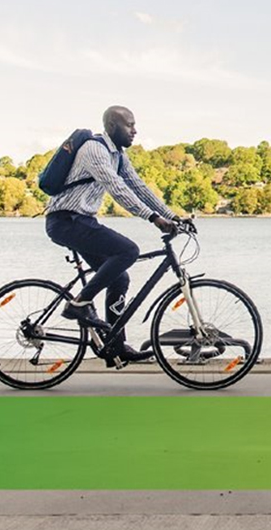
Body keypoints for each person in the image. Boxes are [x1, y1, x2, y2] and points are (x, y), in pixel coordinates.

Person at [44, 105, 180, 364]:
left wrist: (171, 215)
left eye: (134, 125)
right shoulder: (94, 149)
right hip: (66, 221)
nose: (135, 130)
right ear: (111, 127)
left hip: (81, 221)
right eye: (129, 125)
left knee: (119, 278)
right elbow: (117, 189)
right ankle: (79, 303)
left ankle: (115, 347)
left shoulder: (118, 155)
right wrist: (152, 218)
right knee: (128, 251)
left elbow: (137, 187)